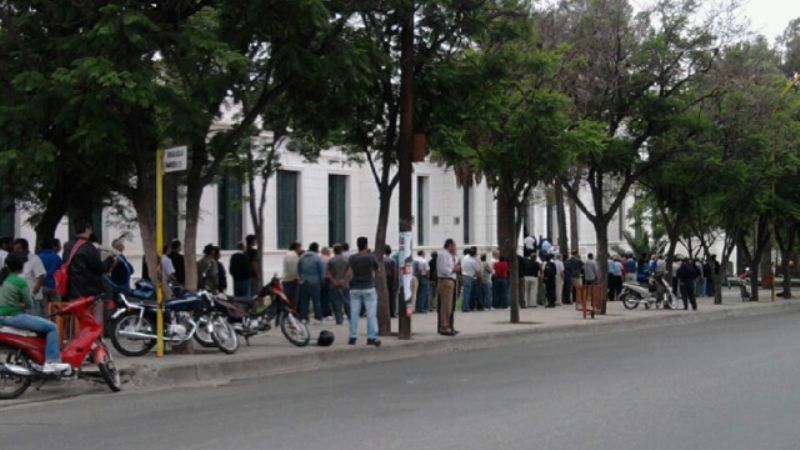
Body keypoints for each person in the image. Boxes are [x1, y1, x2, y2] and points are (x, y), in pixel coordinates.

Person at [0, 254, 70, 373]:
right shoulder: (20, 282)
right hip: (15, 317)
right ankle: (52, 361)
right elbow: (29, 304)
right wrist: (21, 305)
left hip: (3, 317)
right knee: (52, 327)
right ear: (22, 267)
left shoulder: (4, 280)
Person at [347, 237, 381, 347]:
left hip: (354, 288)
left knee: (354, 313)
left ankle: (353, 337)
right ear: (366, 245)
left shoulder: (352, 258)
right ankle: (371, 337)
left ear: (357, 245)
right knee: (371, 314)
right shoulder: (371, 257)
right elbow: (377, 268)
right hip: (368, 287)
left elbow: (349, 272)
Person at [62, 221, 105, 301]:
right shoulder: (89, 246)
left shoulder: (67, 246)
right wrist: (109, 260)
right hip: (89, 291)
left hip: (71, 290)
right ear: (87, 230)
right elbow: (98, 268)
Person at [13, 239, 47, 316]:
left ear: (26, 248)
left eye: (18, 249)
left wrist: (31, 295)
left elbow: (40, 278)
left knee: (35, 325)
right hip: (19, 301)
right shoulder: (18, 261)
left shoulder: (35, 260)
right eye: (15, 249)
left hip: (32, 300)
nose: (16, 251)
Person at [298, 242, 325, 323]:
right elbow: (322, 271)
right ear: (317, 249)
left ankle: (304, 318)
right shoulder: (318, 258)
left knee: (304, 301)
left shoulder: (302, 257)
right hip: (315, 282)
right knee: (316, 301)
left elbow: (299, 269)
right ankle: (318, 318)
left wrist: (301, 278)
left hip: (304, 282)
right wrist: (322, 282)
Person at [436, 239, 459, 336]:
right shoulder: (443, 255)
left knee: (451, 305)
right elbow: (443, 269)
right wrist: (453, 269)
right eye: (454, 246)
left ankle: (450, 325)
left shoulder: (451, 256)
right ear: (449, 246)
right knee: (446, 306)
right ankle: (444, 326)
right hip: (446, 280)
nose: (455, 248)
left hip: (452, 280)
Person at [326, 244, 349, 325]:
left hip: (334, 285)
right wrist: (344, 280)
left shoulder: (331, 261)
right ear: (341, 250)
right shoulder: (347, 259)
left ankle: (339, 320)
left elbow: (328, 273)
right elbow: (349, 271)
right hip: (345, 284)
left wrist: (334, 281)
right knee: (347, 302)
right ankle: (351, 319)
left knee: (336, 303)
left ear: (334, 251)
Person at [38, 238, 63, 305]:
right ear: (52, 246)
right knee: (56, 307)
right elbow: (61, 271)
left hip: (41, 285)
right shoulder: (57, 257)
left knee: (43, 308)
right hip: (54, 286)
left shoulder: (38, 257)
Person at [282, 241, 302, 307]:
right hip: (292, 280)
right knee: (293, 299)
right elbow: (293, 269)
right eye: (300, 247)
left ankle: (286, 313)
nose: (300, 249)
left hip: (286, 279)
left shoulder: (287, 254)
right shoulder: (293, 255)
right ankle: (291, 313)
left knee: (286, 298)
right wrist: (296, 278)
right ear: (296, 247)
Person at [460, 248, 480, 312]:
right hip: (469, 276)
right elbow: (478, 269)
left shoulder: (465, 257)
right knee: (467, 293)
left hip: (463, 274)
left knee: (465, 292)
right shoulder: (473, 261)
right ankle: (466, 307)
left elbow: (461, 265)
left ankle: (464, 306)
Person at [384, 246, 397, 318]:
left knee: (385, 296)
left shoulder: (383, 260)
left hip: (384, 279)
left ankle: (386, 312)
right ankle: (393, 312)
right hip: (391, 279)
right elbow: (394, 271)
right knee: (392, 297)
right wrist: (394, 281)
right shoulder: (392, 260)